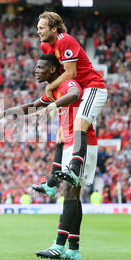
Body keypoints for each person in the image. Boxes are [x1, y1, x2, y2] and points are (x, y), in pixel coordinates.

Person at [0, 54, 99, 260]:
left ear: (54, 70)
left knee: (71, 193)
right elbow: (31, 106)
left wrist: (54, 106)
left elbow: (75, 93)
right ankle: (73, 249)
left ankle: (59, 245)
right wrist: (4, 113)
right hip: (69, 142)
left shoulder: (67, 83)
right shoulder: (54, 90)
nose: (36, 70)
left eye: (41, 67)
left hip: (82, 143)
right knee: (72, 194)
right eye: (36, 67)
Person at [36, 11, 107, 188]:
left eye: (41, 28)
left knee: (79, 125)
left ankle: (74, 170)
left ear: (54, 28)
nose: (38, 31)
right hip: (78, 91)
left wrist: (50, 87)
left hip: (92, 87)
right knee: (61, 135)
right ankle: (52, 184)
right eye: (37, 28)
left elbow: (71, 73)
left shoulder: (64, 40)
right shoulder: (46, 46)